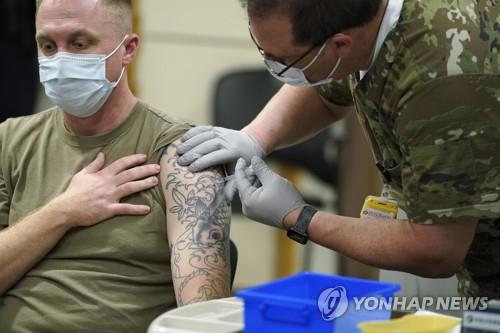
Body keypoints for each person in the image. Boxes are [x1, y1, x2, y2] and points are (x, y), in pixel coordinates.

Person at [177, 0, 500, 298]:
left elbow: (436, 250)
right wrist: (254, 138)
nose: (273, 67)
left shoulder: (445, 82)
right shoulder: (360, 20)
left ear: (341, 44)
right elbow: (325, 90)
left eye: (284, 60)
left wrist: (300, 218)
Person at [0, 0, 231, 332]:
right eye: (48, 45)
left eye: (79, 44)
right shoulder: (9, 140)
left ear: (128, 49)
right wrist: (64, 211)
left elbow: (203, 317)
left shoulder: (180, 150)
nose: (61, 60)